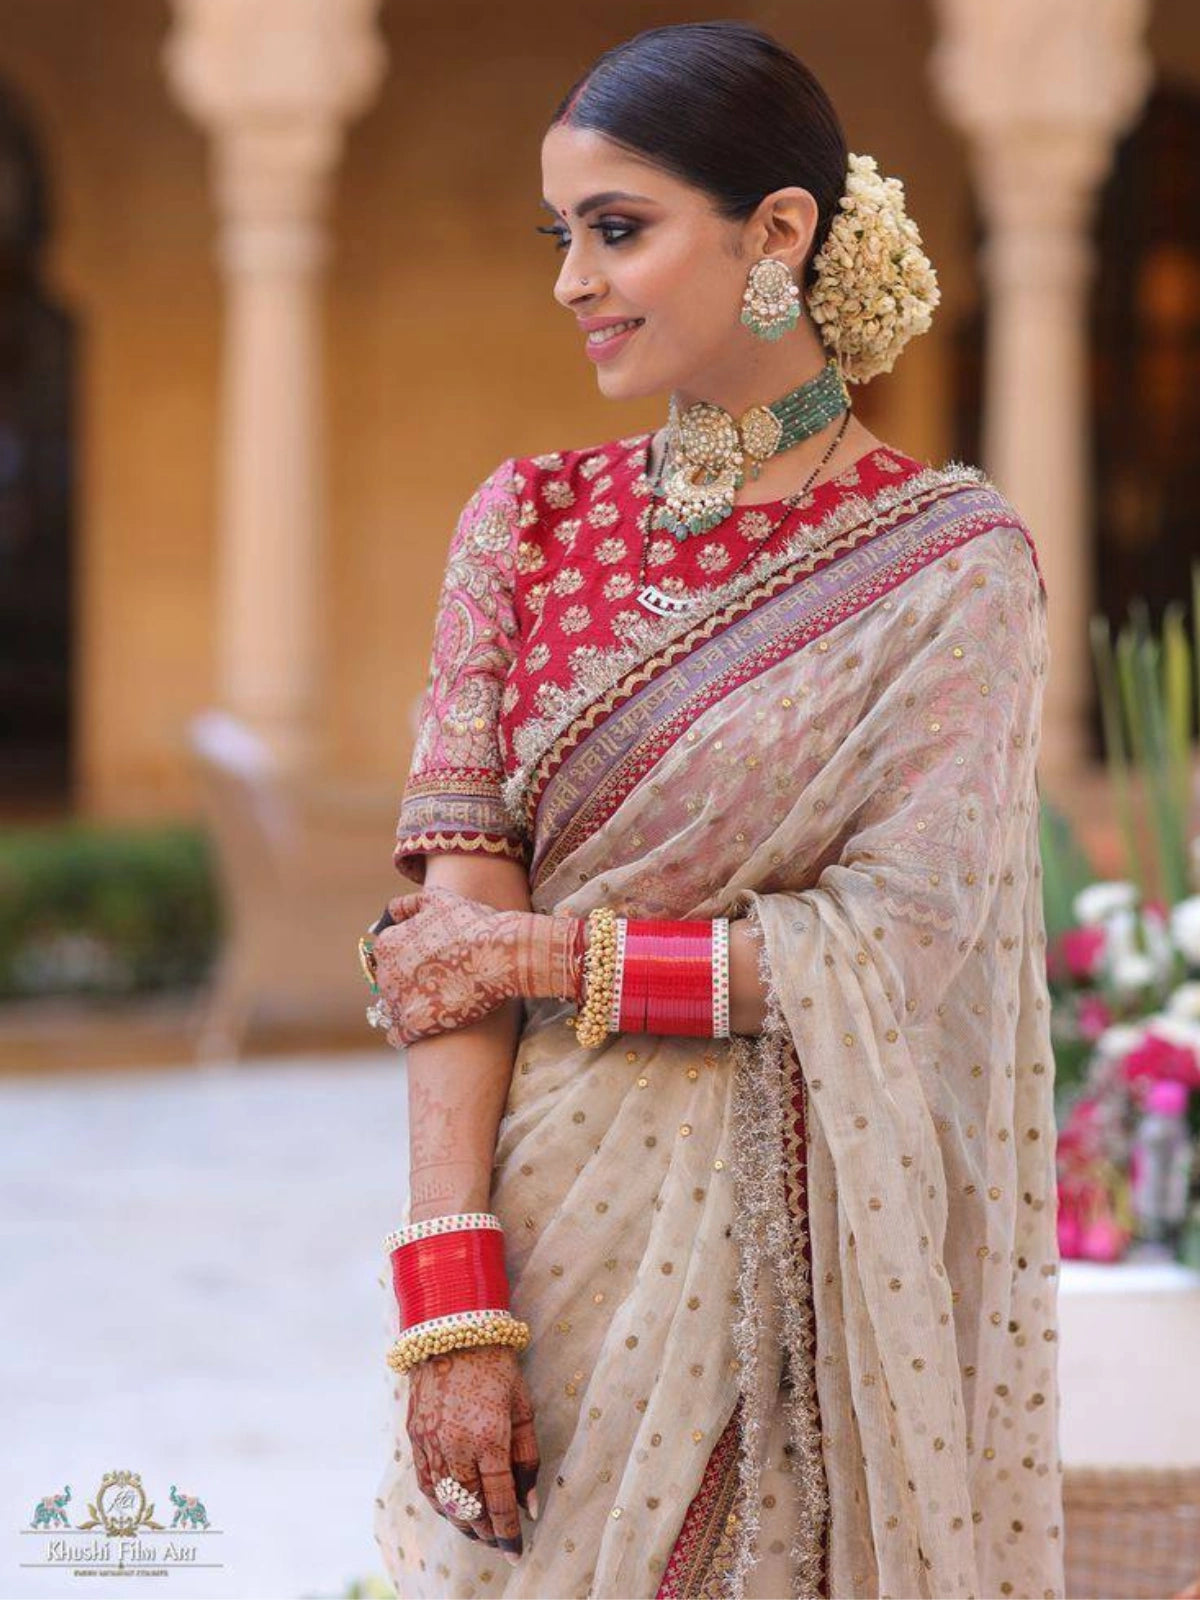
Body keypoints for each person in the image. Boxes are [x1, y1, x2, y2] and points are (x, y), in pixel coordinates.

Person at [367, 21, 1065, 1600]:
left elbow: (896, 952)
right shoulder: (525, 522)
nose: (574, 282)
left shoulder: (951, 565)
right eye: (561, 237)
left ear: (778, 233)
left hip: (813, 1279)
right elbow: (453, 927)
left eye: (617, 230)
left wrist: (542, 960)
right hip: (552, 1243)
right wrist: (450, 1299)